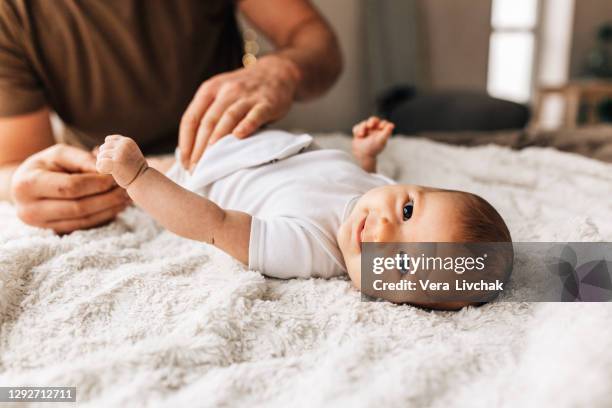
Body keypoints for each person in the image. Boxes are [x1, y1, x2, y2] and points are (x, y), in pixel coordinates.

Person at [95, 116, 513, 309]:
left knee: (100, 170)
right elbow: (359, 184)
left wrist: (139, 177)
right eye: (407, 209)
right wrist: (364, 158)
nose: (384, 230)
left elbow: (213, 224)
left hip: (200, 175)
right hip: (243, 137)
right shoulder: (380, 194)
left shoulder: (308, 248)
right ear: (412, 191)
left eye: (400, 263)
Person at [0, 0, 341, 233]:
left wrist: (283, 71)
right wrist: (24, 186)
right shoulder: (10, 13)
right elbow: (14, 163)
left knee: (380, 265)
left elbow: (319, 44)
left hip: (240, 164)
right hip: (113, 196)